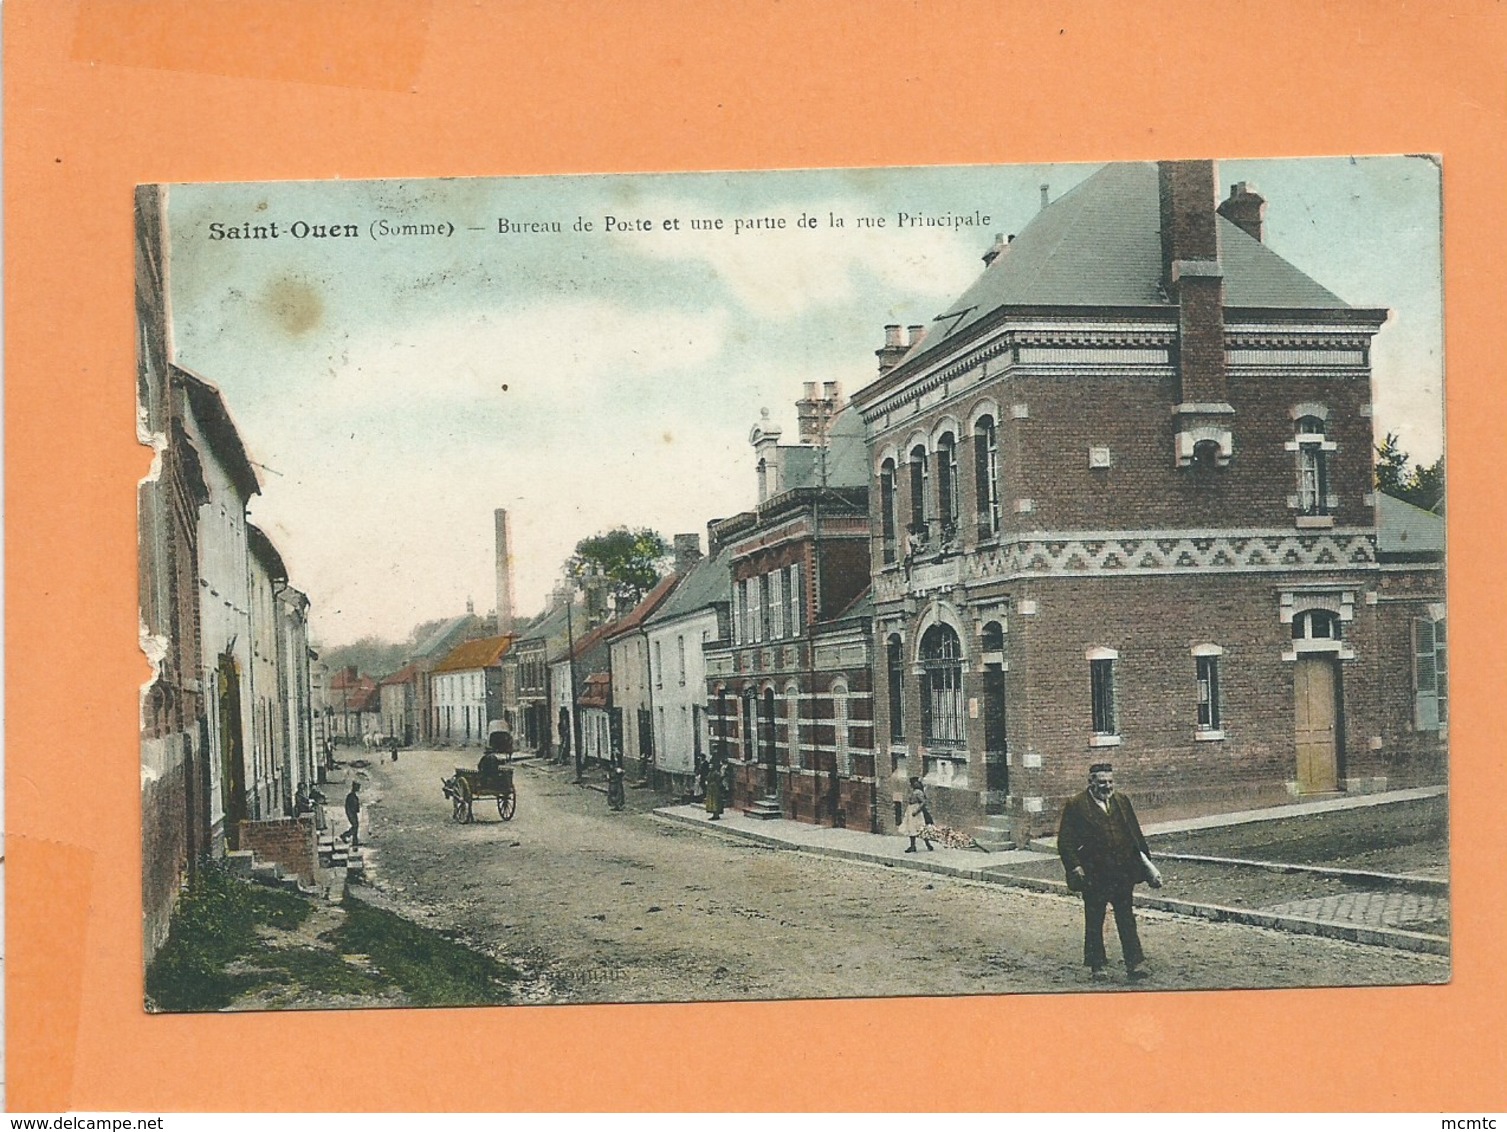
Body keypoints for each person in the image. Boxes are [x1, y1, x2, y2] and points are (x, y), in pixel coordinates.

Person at [1056, 762, 1163, 982]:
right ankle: (1097, 965)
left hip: (1122, 873)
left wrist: (1147, 867)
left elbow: (1135, 834)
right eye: (1102, 782)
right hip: (1094, 874)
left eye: (1110, 782)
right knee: (1095, 919)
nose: (1107, 786)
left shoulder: (1122, 801)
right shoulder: (1076, 805)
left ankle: (1135, 963)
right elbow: (1065, 841)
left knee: (1126, 918)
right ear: (1091, 782)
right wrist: (1075, 866)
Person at [902, 777, 933, 852]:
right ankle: (913, 846)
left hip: (916, 812)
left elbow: (923, 802)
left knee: (920, 828)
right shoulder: (915, 791)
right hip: (911, 810)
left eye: (913, 783)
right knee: (912, 828)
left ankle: (928, 844)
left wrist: (916, 811)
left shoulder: (918, 792)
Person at [339, 781, 362, 848]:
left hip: (352, 812)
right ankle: (345, 835)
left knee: (356, 826)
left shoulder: (352, 796)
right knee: (355, 826)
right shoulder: (352, 796)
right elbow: (353, 806)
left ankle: (355, 841)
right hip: (351, 813)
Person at [889, 760, 910, 828]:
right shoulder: (900, 776)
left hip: (896, 794)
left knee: (897, 808)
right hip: (899, 794)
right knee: (899, 808)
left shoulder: (894, 775)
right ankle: (899, 821)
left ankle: (898, 821)